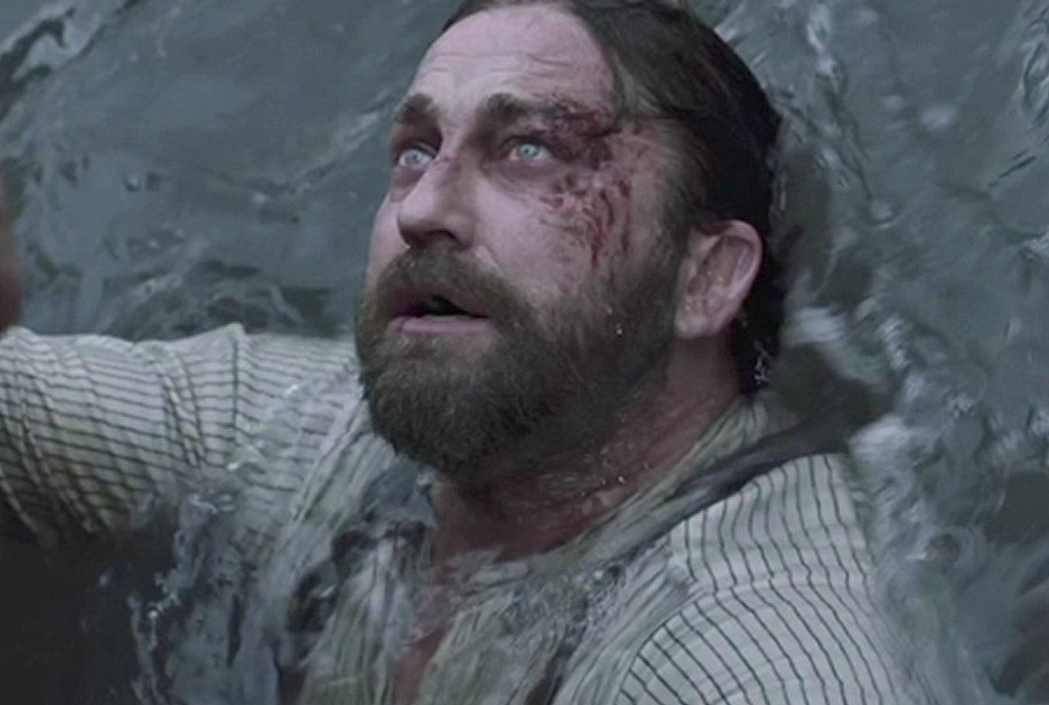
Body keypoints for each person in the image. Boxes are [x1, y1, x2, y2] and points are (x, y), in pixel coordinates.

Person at [0, 1, 926, 703]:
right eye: (414, 149)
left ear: (705, 277)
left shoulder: (747, 647)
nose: (421, 208)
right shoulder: (301, 436)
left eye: (529, 149)